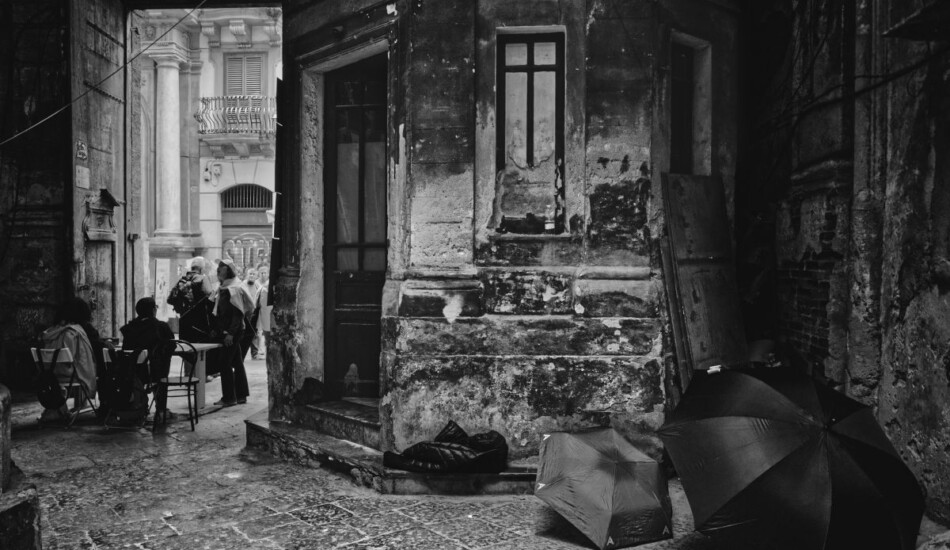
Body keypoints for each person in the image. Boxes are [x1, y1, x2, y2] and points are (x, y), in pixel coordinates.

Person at [38, 298, 100, 421]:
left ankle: (58, 409)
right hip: (69, 374)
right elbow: (82, 359)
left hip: (49, 374)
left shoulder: (51, 331)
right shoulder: (74, 332)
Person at [119, 297, 174, 419]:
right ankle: (161, 409)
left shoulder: (129, 329)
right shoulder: (161, 327)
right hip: (153, 373)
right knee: (161, 365)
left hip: (131, 373)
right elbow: (172, 346)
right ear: (153, 310)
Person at [211, 259, 254, 406]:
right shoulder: (224, 286)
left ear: (228, 270)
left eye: (221, 268)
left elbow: (238, 313)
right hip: (228, 330)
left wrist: (230, 333)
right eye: (218, 267)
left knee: (225, 363)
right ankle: (241, 395)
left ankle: (229, 398)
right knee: (237, 362)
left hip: (232, 332)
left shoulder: (233, 288)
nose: (218, 270)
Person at [167, 256, 215, 342]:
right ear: (201, 269)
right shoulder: (203, 279)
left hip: (183, 318)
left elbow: (171, 299)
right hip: (199, 320)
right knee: (199, 346)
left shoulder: (182, 280)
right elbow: (210, 296)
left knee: (185, 344)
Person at [250, 268, 271, 360]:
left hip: (265, 312)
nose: (263, 274)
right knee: (260, 332)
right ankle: (260, 352)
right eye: (261, 273)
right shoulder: (259, 284)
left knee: (263, 332)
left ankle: (262, 351)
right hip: (260, 312)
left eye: (265, 272)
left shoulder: (266, 285)